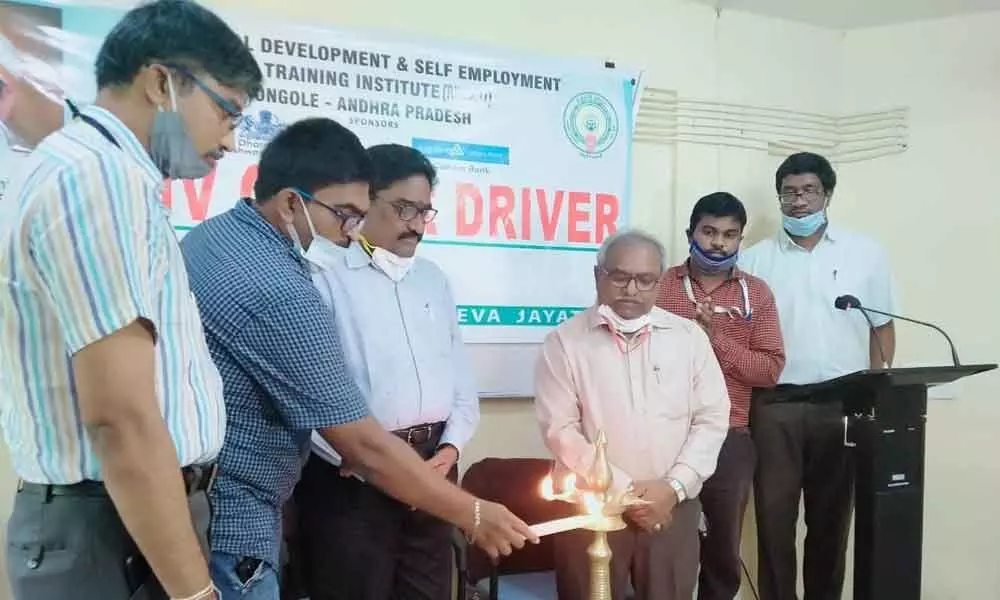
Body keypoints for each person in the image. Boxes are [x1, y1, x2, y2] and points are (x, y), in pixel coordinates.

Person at [180, 118, 535, 600]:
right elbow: (356, 438)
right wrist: (473, 513)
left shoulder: (213, 238)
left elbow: (451, 381)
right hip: (245, 514)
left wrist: (445, 453)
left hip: (222, 504)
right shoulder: (288, 288)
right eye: (345, 214)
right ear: (290, 202)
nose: (350, 233)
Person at [0, 1, 263, 599]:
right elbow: (120, 419)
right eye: (227, 110)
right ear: (162, 83)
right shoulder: (98, 178)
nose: (231, 136)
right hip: (112, 528)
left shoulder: (97, 172)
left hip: (126, 518)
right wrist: (196, 593)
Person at [296, 143, 479, 599]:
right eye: (404, 209)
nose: (416, 225)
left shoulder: (432, 279)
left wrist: (452, 447)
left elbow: (459, 377)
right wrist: (359, 460)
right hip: (354, 483)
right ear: (364, 202)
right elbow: (307, 393)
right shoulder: (324, 275)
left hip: (434, 468)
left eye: (424, 211)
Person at [535, 229, 730, 600]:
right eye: (620, 277)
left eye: (645, 280)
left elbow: (712, 418)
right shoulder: (564, 342)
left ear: (659, 282)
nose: (632, 290)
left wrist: (671, 489)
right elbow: (559, 429)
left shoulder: (688, 338)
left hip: (671, 507)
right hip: (592, 509)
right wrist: (626, 491)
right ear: (598, 276)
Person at [740, 152, 897, 600]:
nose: (798, 201)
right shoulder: (754, 262)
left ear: (827, 194)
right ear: (780, 199)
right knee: (773, 523)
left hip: (843, 406)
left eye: (808, 190)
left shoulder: (865, 253)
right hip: (775, 406)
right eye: (789, 192)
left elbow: (881, 326)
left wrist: (878, 390)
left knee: (831, 523)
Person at [655, 192, 785, 600]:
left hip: (729, 438)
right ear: (689, 233)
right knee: (663, 541)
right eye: (709, 232)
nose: (718, 243)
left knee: (723, 550)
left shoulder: (756, 294)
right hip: (662, 434)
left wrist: (717, 341)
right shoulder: (657, 286)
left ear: (740, 240)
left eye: (729, 235)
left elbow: (769, 370)